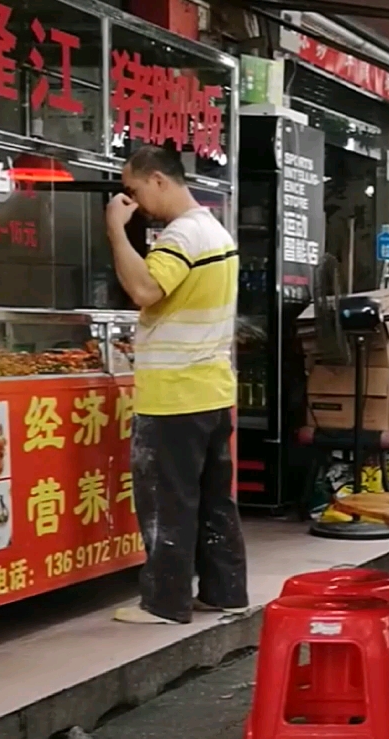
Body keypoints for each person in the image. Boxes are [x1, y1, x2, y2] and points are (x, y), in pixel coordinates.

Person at [103, 144, 247, 624]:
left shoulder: (182, 236)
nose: (133, 200)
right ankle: (225, 592)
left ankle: (165, 602)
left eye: (135, 189)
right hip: (210, 390)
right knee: (213, 499)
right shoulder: (214, 230)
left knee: (167, 501)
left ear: (159, 181)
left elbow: (145, 290)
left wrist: (115, 231)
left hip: (174, 395)